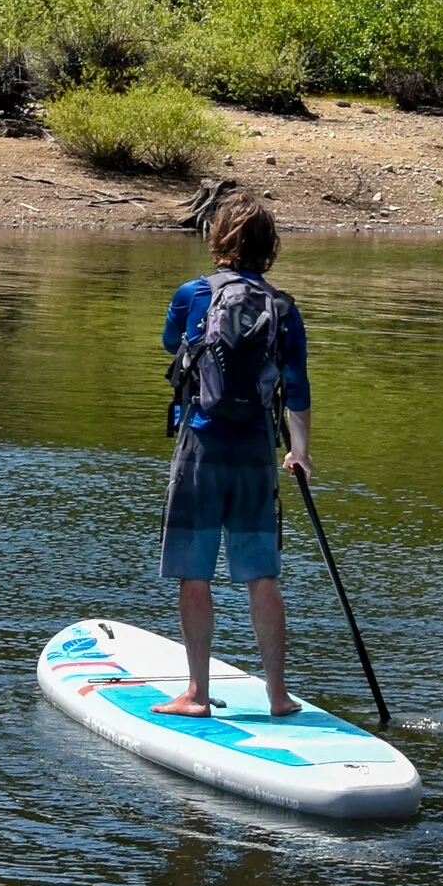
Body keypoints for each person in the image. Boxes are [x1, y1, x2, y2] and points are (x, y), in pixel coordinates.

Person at [157, 194, 311, 719]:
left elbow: (172, 344)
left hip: (200, 447)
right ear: (270, 246)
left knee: (194, 574)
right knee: (261, 575)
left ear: (218, 238)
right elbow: (297, 388)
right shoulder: (283, 309)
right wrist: (299, 453)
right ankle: (278, 696)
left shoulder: (193, 294)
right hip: (256, 452)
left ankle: (196, 695)